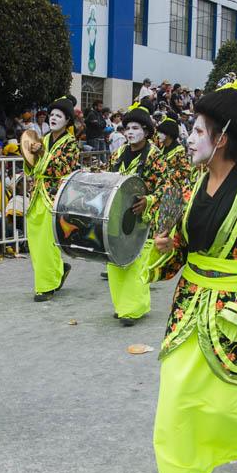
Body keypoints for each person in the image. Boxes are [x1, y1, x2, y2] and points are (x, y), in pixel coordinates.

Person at [145, 75, 237, 473]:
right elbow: (184, 248)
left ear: (222, 138)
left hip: (232, 309)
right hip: (189, 305)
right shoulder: (187, 186)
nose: (190, 137)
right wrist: (168, 246)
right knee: (176, 392)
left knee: (227, 406)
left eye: (199, 130)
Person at [105, 98, 167, 326]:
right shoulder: (118, 153)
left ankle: (133, 308)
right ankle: (122, 305)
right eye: (127, 128)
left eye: (135, 128)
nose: (130, 132)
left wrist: (149, 200)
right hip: (116, 216)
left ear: (147, 132)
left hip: (141, 218)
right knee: (115, 260)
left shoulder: (154, 156)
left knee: (134, 261)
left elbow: (166, 187)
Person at [23, 96, 81, 301]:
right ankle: (58, 269)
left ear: (67, 121)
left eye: (59, 116)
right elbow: (31, 166)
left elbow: (62, 168)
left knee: (47, 241)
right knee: (36, 240)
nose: (54, 118)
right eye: (52, 115)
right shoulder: (43, 139)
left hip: (55, 196)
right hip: (37, 194)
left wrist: (42, 154)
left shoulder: (70, 143)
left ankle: (46, 286)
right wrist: (30, 155)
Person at [156, 114, 192, 185]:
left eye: (161, 133)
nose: (158, 135)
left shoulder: (179, 150)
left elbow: (186, 171)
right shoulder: (161, 147)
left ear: (169, 134)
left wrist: (170, 175)